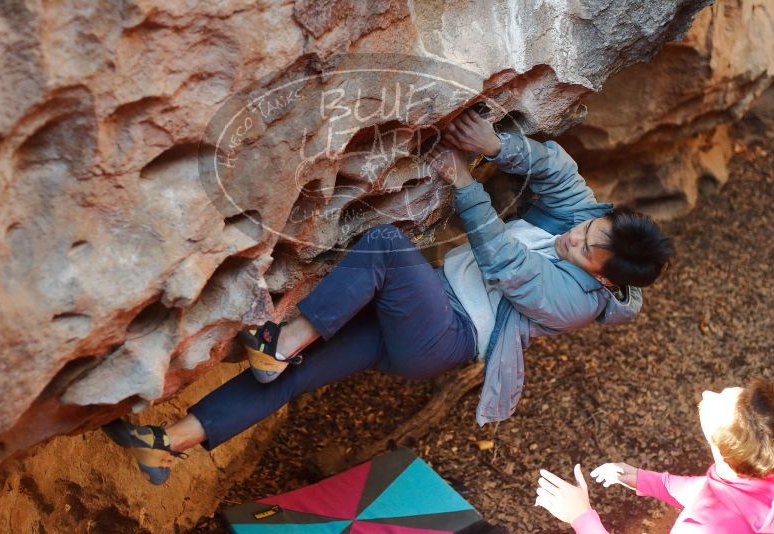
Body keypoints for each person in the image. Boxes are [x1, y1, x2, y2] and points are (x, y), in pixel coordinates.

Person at [102, 109, 674, 485]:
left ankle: (282, 342)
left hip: (444, 334)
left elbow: (508, 265)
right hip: (426, 311)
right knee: (301, 376)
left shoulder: (580, 304)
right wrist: (497, 146)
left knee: (385, 246)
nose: (577, 233)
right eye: (590, 227)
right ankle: (167, 445)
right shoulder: (593, 222)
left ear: (605, 277)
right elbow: (559, 172)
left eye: (587, 247)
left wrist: (464, 181)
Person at [534, 379, 774, 533]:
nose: (707, 393)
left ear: (721, 444)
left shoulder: (702, 528)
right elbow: (714, 492)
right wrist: (645, 480)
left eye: (717, 400)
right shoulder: (759, 469)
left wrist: (581, 515)